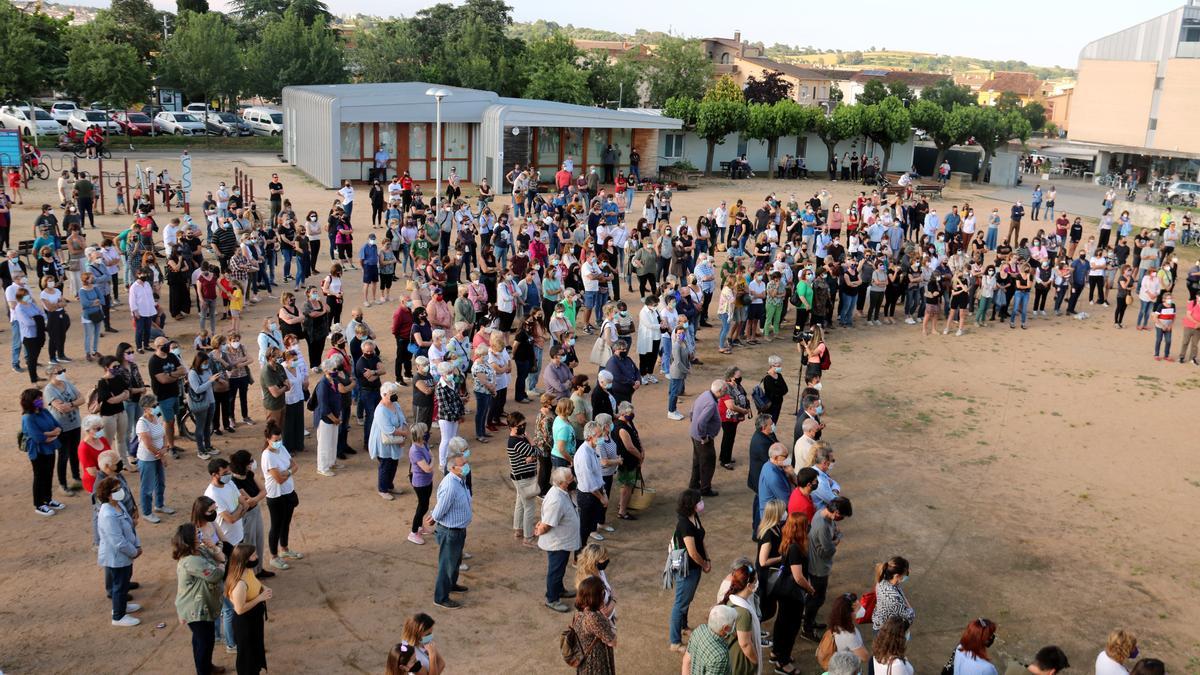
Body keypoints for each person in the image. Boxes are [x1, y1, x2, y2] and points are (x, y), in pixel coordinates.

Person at [173, 523, 225, 675]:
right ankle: (203, 671)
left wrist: (214, 548)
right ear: (190, 538)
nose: (201, 534)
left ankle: (207, 667)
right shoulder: (191, 560)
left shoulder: (199, 551)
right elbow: (216, 574)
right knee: (204, 642)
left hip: (202, 606)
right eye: (197, 533)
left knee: (203, 640)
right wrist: (221, 565)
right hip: (195, 609)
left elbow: (221, 557)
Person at [425, 447, 472, 609]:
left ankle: (452, 585)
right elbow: (441, 507)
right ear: (452, 468)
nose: (466, 466)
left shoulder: (460, 479)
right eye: (462, 464)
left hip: (458, 530)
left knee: (455, 561)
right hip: (450, 531)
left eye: (465, 463)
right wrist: (434, 517)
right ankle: (441, 597)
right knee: (447, 565)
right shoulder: (451, 485)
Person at [770, 512, 817, 675]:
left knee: (782, 622)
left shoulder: (787, 541)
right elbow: (798, 577)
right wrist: (810, 589)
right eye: (806, 525)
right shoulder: (796, 548)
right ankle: (783, 663)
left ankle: (776, 652)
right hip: (792, 594)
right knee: (791, 627)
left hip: (784, 591)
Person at [95, 476, 142, 626]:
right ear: (108, 495)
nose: (120, 492)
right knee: (119, 586)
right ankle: (118, 616)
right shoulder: (108, 514)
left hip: (126, 554)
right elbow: (118, 542)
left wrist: (137, 545)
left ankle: (122, 606)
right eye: (116, 490)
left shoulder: (118, 505)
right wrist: (134, 552)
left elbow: (130, 525)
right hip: (117, 556)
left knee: (124, 581)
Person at [804, 496, 852, 639]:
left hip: (817, 563)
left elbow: (833, 531)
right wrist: (836, 540)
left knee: (815, 596)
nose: (840, 519)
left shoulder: (821, 513)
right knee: (818, 598)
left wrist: (834, 537)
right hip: (819, 567)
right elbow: (828, 550)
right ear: (836, 512)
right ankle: (807, 628)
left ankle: (809, 620)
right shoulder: (823, 526)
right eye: (841, 516)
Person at [669, 488, 710, 652]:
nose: (701, 503)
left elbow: (701, 539)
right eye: (699, 501)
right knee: (680, 603)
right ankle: (675, 642)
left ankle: (684, 626)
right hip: (688, 569)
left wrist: (707, 558)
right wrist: (704, 564)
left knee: (687, 598)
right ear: (692, 505)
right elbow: (692, 552)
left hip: (695, 567)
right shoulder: (684, 524)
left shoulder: (694, 517)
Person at [536, 466, 580, 613]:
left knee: (559, 569)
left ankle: (559, 590)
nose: (573, 480)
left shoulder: (562, 492)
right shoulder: (556, 500)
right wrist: (539, 529)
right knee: (555, 570)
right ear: (562, 483)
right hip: (557, 543)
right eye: (570, 479)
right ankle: (552, 599)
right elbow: (548, 524)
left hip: (563, 540)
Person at [260, 422, 302, 570]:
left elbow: (295, 465)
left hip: (288, 492)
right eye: (275, 440)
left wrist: (287, 472)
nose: (278, 442)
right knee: (276, 525)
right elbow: (278, 479)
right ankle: (273, 556)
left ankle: (284, 549)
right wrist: (288, 472)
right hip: (275, 495)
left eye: (279, 439)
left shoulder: (282, 448)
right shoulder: (267, 456)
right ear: (268, 439)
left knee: (286, 522)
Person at [225, 543, 272, 675]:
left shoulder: (248, 570)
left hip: (254, 619)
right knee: (247, 657)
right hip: (245, 623)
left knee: (255, 649)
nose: (256, 557)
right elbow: (239, 610)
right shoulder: (239, 584)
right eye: (253, 555)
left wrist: (263, 588)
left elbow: (254, 583)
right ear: (244, 560)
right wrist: (260, 598)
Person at [21, 387, 64, 516]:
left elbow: (59, 426)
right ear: (30, 401)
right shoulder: (28, 418)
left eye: (40, 397)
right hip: (38, 451)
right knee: (39, 476)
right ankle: (39, 504)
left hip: (49, 449)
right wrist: (52, 433)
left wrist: (48, 434)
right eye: (37, 398)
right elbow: (38, 438)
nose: (41, 400)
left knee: (49, 474)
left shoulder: (44, 411)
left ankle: (48, 499)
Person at [134, 394, 175, 524]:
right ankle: (147, 512)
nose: (157, 407)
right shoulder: (142, 423)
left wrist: (164, 447)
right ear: (146, 408)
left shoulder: (156, 418)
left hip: (158, 455)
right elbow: (148, 444)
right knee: (147, 487)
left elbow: (162, 434)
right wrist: (161, 455)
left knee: (160, 482)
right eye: (154, 405)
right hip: (147, 459)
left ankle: (159, 505)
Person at [43, 365, 83, 494]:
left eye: (63, 370)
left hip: (75, 424)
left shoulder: (67, 383)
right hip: (62, 427)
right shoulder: (49, 390)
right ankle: (62, 484)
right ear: (51, 375)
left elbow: (82, 399)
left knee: (74, 452)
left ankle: (76, 478)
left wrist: (70, 404)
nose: (62, 373)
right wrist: (74, 404)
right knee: (63, 455)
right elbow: (61, 408)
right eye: (59, 372)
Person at [720, 564, 761, 675]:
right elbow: (745, 644)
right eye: (755, 581)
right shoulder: (743, 613)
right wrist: (755, 661)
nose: (757, 583)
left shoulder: (730, 599)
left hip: (730, 655)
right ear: (748, 585)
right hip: (740, 661)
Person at [572, 576, 617, 674]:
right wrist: (607, 620)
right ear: (596, 596)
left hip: (583, 660)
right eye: (602, 593)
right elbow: (612, 641)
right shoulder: (594, 618)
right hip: (595, 664)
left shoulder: (579, 611)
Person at [506, 411, 539, 546]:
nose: (523, 427)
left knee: (520, 503)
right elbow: (537, 451)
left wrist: (529, 458)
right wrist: (531, 442)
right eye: (520, 425)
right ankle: (528, 537)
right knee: (529, 507)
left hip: (520, 477)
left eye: (524, 424)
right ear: (512, 426)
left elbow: (531, 455)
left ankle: (518, 529)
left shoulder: (517, 439)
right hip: (524, 479)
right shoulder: (516, 442)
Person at [688, 379, 725, 497]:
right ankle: (705, 489)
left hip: (694, 434)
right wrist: (704, 436)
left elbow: (692, 412)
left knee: (697, 460)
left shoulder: (705, 394)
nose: (726, 391)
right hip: (703, 439)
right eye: (725, 389)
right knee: (708, 463)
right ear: (719, 391)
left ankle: (694, 484)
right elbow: (701, 422)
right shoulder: (711, 403)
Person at [681, 605, 738, 675]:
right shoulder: (720, 657)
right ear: (725, 628)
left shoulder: (699, 629)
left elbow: (686, 661)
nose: (734, 625)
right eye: (733, 623)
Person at [188, 351, 221, 460]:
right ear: (199, 362)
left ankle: (208, 446)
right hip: (201, 404)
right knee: (200, 427)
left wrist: (215, 379)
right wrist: (210, 381)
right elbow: (197, 389)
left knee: (208, 426)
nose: (206, 364)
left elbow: (210, 384)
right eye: (205, 362)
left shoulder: (207, 369)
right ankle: (200, 450)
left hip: (211, 401)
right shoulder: (193, 373)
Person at [871, 556, 915, 631]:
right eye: (905, 574)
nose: (906, 576)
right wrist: (907, 604)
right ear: (896, 576)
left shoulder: (882, 580)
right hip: (888, 631)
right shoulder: (895, 599)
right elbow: (910, 616)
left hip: (879, 621)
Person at [826, 593, 870, 664]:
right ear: (849, 614)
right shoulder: (850, 636)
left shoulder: (836, 623)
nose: (861, 609)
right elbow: (864, 657)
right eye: (858, 608)